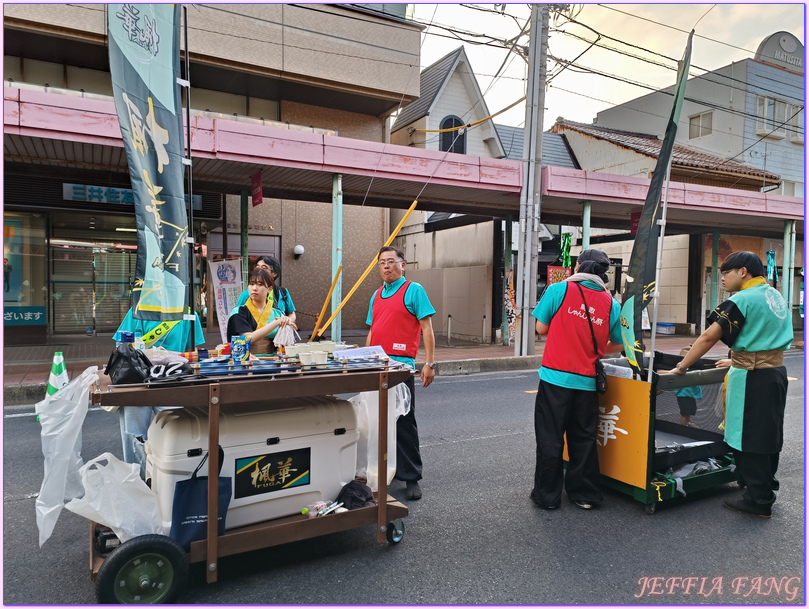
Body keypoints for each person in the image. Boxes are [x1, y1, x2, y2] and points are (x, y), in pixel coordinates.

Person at [667, 251, 792, 518]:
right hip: (775, 372)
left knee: (748, 436)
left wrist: (682, 366)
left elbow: (708, 337)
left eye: (726, 272)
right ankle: (765, 484)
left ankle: (759, 500)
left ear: (743, 272)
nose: (722, 278)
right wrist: (735, 359)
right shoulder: (775, 295)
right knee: (768, 432)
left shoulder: (741, 299)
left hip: (753, 376)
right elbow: (762, 335)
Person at [530, 249, 622, 511]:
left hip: (555, 379)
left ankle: (547, 496)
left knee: (550, 438)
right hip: (588, 382)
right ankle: (584, 494)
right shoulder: (610, 302)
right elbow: (617, 342)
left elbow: (541, 328)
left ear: (578, 265)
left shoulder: (558, 290)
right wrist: (594, 349)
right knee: (583, 438)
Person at [366, 246, 436, 500]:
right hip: (378, 365)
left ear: (402, 264)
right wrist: (366, 359)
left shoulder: (413, 290)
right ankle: (388, 469)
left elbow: (426, 328)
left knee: (404, 422)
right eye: (382, 262)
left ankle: (411, 477)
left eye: (391, 261)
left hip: (401, 367)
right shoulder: (376, 295)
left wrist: (429, 363)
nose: (386, 266)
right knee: (379, 422)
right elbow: (373, 331)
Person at [113, 306, 206, 477]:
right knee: (136, 437)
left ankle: (168, 483)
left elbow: (191, 353)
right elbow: (121, 347)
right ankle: (137, 484)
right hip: (137, 381)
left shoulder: (189, 313)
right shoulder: (138, 310)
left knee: (174, 435)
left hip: (173, 381)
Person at [227, 267, 297, 354]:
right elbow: (248, 338)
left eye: (260, 284)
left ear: (269, 289)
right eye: (251, 284)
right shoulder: (238, 312)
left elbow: (285, 345)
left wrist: (287, 323)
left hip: (273, 362)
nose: (254, 288)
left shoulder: (278, 313)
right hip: (245, 362)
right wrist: (276, 322)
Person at [232, 256, 296, 323]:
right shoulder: (246, 294)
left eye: (264, 268)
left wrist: (287, 320)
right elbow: (237, 317)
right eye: (257, 267)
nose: (259, 270)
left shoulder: (283, 292)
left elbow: (291, 313)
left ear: (274, 273)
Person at [674, 345, 702, 427]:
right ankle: (685, 426)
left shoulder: (693, 367)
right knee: (685, 413)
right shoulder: (682, 368)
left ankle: (687, 424)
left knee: (688, 412)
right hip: (684, 395)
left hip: (689, 395)